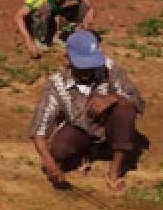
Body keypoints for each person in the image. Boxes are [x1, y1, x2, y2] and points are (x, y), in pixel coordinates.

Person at [29, 30, 144, 191]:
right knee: (58, 150)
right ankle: (86, 153)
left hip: (108, 127)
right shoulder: (56, 84)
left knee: (125, 110)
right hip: (79, 129)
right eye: (82, 66)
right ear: (67, 59)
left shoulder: (109, 69)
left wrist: (113, 98)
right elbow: (38, 130)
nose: (87, 71)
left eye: (91, 66)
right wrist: (50, 164)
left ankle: (114, 171)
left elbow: (137, 101)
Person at [14, 0, 95, 56]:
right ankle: (39, 39)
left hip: (54, 16)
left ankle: (60, 35)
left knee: (81, 6)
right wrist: (28, 41)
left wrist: (86, 24)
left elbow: (90, 8)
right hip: (36, 21)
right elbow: (18, 16)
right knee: (46, 7)